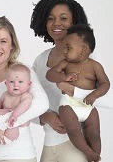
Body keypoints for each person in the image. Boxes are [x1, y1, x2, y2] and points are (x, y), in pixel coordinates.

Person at [30, 0, 113, 161]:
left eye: (63, 18)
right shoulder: (40, 61)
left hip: (77, 145)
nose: (56, 23)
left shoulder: (89, 56)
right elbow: (27, 104)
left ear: (74, 22)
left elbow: (108, 100)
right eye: (50, 18)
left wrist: (73, 90)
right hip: (49, 145)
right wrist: (45, 117)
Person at [0, 16, 49, 162]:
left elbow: (42, 104)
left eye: (3, 41)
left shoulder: (23, 73)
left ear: (12, 45)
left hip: (19, 157)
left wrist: (2, 122)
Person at [46, 24, 109, 162]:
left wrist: (94, 95)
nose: (64, 51)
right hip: (68, 104)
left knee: (94, 134)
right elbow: (49, 74)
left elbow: (106, 84)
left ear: (83, 50)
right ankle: (87, 151)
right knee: (74, 131)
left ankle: (95, 155)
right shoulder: (65, 63)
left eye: (68, 48)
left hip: (88, 106)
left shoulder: (95, 66)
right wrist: (63, 77)